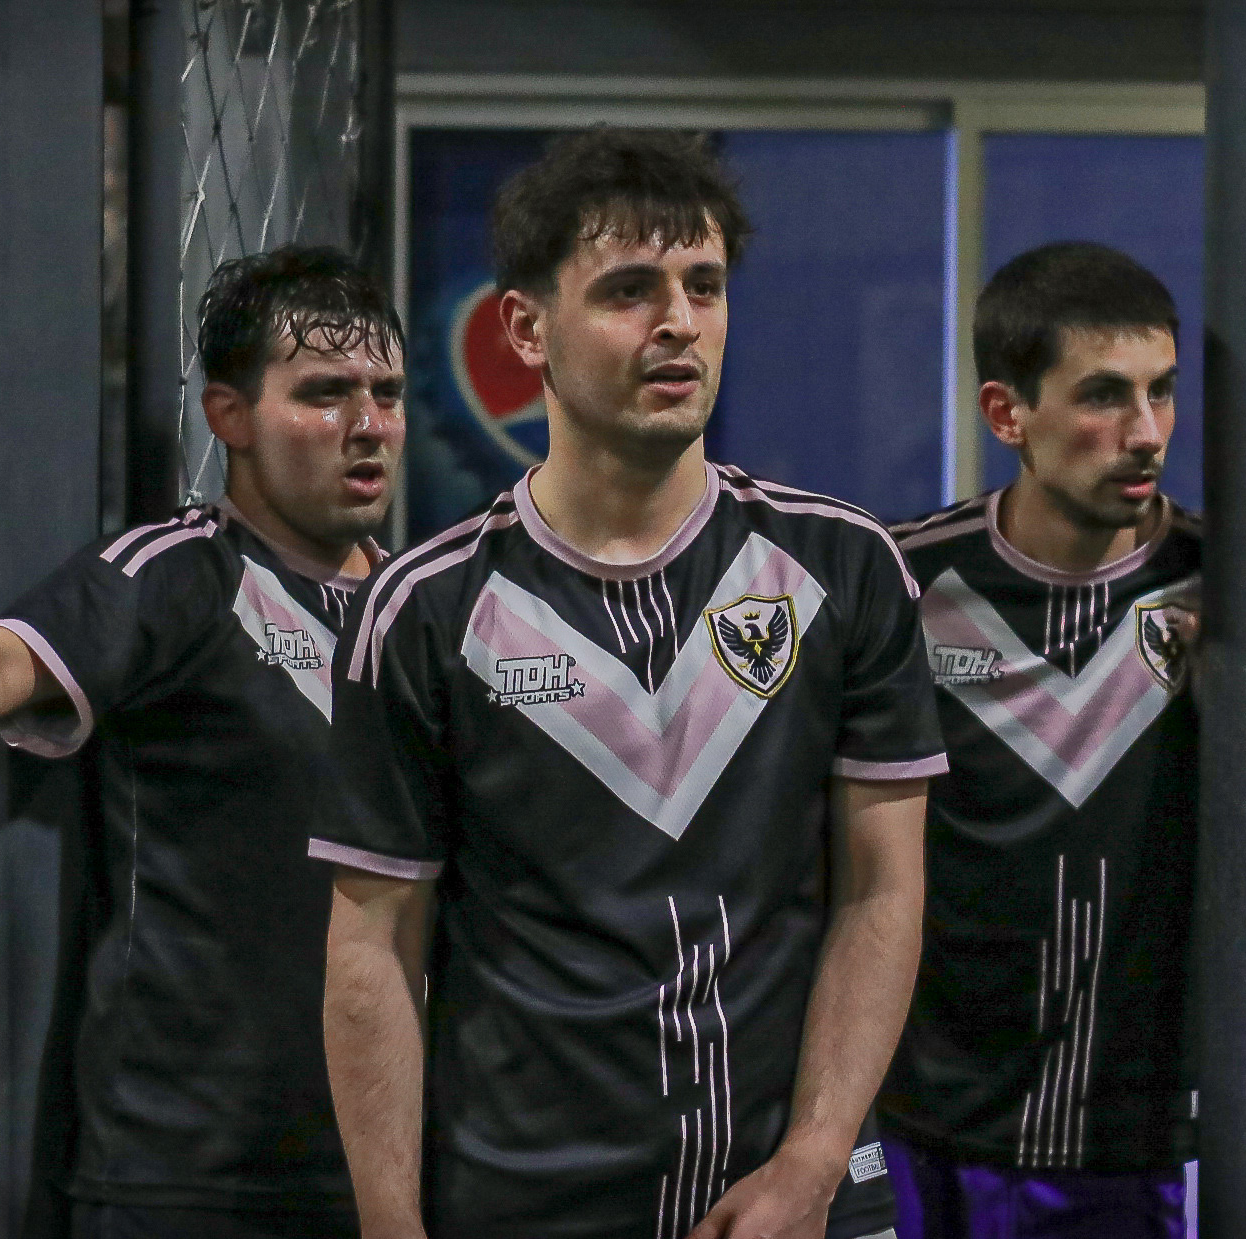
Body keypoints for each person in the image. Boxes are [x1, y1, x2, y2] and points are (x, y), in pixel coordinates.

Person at [318, 128, 946, 1239]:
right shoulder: (422, 609)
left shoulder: (842, 565)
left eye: (703, 285)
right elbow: (374, 947)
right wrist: (390, 1226)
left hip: (796, 1202)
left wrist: (811, 1161)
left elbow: (880, 891)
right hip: (523, 1204)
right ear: (526, 328)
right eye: (628, 290)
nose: (678, 322)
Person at [0, 245, 404, 1239]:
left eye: (387, 393)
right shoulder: (175, 576)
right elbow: (6, 658)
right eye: (325, 393)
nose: (367, 423)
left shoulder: (427, 614)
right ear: (230, 416)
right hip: (180, 1173)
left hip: (382, 1165)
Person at [878, 241, 1246, 1239]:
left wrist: (1245, 703)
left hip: (1125, 1121)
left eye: (1160, 392)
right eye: (1104, 396)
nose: (1144, 432)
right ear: (1006, 415)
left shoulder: (1223, 576)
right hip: (915, 1109)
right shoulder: (902, 580)